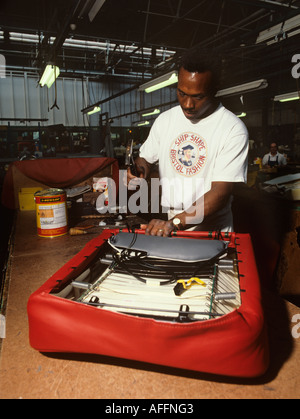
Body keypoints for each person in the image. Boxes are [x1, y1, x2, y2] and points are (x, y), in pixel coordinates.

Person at [127, 52, 249, 236]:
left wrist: (176, 223)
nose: (188, 104)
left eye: (198, 97)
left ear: (214, 90)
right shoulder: (165, 120)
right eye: (182, 93)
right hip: (172, 224)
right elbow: (145, 157)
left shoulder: (232, 128)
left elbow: (221, 192)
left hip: (212, 231)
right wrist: (138, 169)